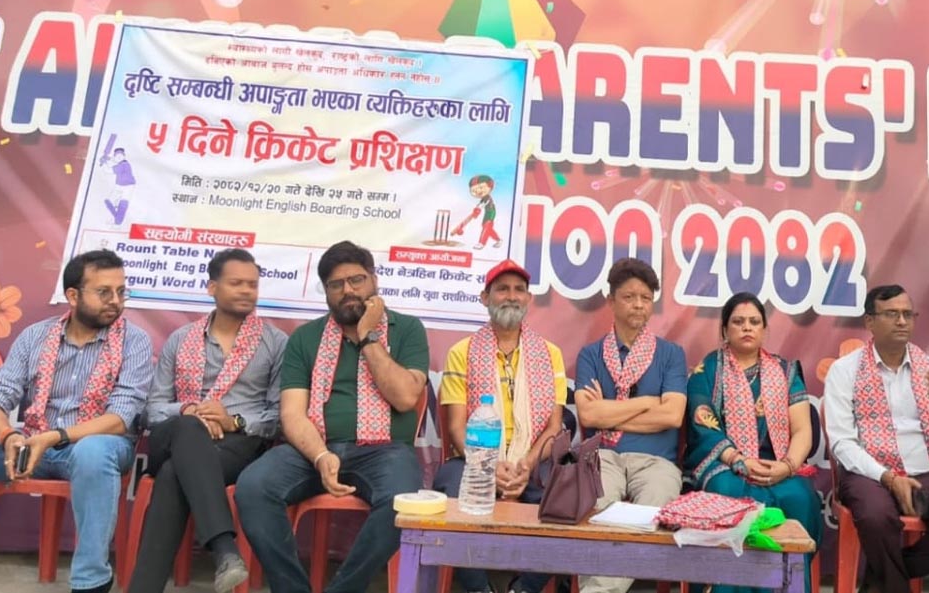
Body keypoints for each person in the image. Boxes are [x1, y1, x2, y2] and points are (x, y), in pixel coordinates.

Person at [0, 249, 154, 593]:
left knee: (92, 452)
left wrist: (55, 437)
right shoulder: (35, 337)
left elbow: (120, 418)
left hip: (98, 447)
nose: (116, 301)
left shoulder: (134, 341)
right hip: (32, 443)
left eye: (122, 291)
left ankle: (90, 581)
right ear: (73, 296)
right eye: (104, 292)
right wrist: (7, 437)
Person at [234, 240, 429, 593]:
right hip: (313, 449)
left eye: (356, 280)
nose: (348, 290)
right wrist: (321, 455)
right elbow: (292, 413)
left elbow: (404, 398)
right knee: (253, 487)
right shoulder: (305, 338)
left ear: (374, 280)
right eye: (336, 284)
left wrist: (368, 336)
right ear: (325, 292)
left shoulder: (407, 329)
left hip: (384, 451)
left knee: (403, 502)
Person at [129, 248, 286, 593]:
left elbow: (279, 417)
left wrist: (234, 421)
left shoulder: (275, 343)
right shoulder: (181, 339)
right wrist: (188, 410)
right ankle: (224, 548)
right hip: (173, 434)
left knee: (173, 474)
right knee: (188, 426)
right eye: (236, 283)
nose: (246, 291)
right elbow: (152, 409)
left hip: (236, 445)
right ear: (212, 287)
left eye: (252, 284)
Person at [824, 284, 929, 593]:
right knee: (876, 518)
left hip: (928, 471)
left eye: (907, 314)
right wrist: (888, 478)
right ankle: (889, 583)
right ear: (870, 322)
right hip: (870, 474)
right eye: (891, 314)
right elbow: (842, 443)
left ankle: (879, 582)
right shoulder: (845, 371)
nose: (901, 321)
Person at [433, 259, 566, 593]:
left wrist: (526, 466)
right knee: (451, 491)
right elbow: (456, 428)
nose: (511, 296)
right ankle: (479, 589)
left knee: (566, 501)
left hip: (532, 461)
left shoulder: (550, 353)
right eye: (502, 289)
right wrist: (489, 468)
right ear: (485, 297)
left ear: (529, 299)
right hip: (474, 459)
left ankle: (523, 589)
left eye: (519, 290)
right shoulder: (462, 352)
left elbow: (554, 428)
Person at [683, 292, 821, 593]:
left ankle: (788, 587)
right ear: (724, 329)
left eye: (754, 322)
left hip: (778, 466)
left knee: (801, 498)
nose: (747, 327)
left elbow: (802, 429)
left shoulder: (785, 371)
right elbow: (704, 426)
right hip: (726, 465)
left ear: (764, 329)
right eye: (738, 322)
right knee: (724, 494)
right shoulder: (707, 371)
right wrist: (738, 459)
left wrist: (787, 466)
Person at [574, 258, 687, 593]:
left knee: (650, 515)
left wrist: (610, 409)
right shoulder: (591, 355)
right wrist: (647, 402)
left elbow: (672, 416)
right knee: (597, 511)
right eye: (629, 296)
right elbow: (589, 416)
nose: (639, 304)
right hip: (603, 457)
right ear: (611, 301)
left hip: (657, 462)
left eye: (646, 297)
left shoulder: (671, 354)